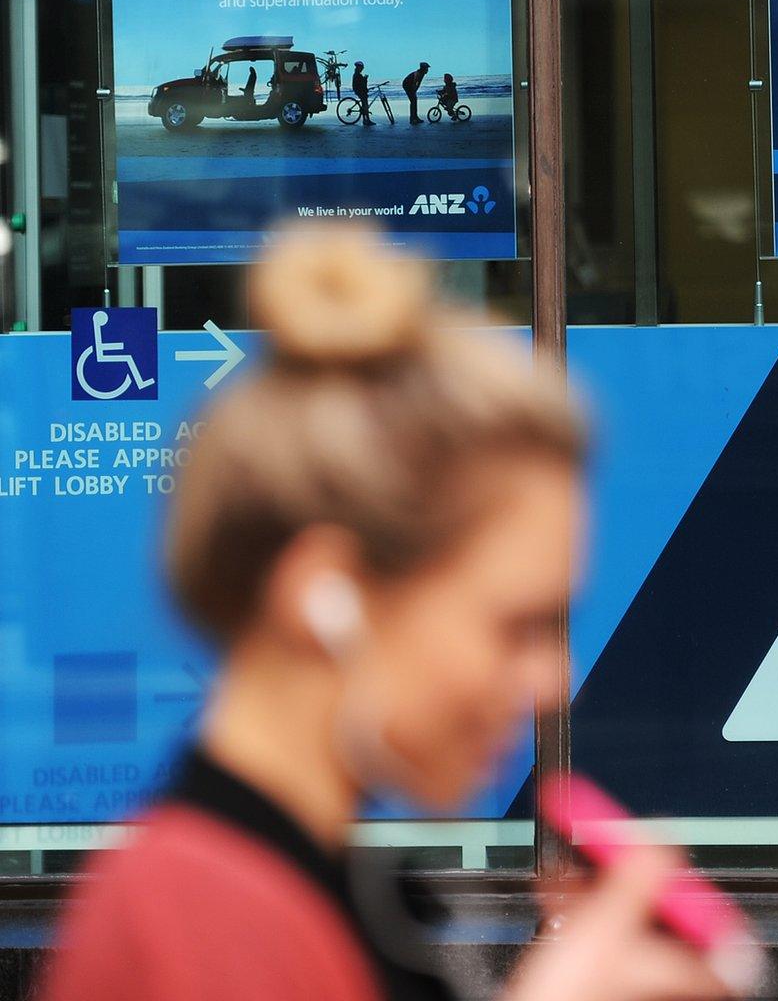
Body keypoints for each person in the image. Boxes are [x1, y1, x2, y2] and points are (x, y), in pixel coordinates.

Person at [39, 229, 725, 1001]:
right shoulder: (203, 923)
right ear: (328, 593)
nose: (553, 680)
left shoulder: (304, 894)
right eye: (516, 625)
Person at [352, 61, 375, 128]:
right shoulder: (357, 75)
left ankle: (365, 120)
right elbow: (361, 84)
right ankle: (367, 120)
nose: (362, 69)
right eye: (361, 67)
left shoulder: (357, 74)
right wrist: (365, 79)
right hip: (360, 91)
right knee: (365, 105)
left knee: (364, 104)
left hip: (360, 91)